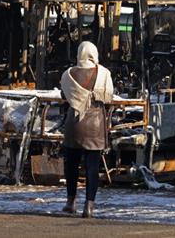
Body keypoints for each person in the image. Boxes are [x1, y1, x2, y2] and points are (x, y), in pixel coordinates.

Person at [59, 41, 114, 218]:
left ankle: (70, 202)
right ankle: (89, 206)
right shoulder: (104, 73)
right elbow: (109, 97)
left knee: (71, 166)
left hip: (73, 125)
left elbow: (64, 96)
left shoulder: (68, 74)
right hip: (95, 126)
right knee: (92, 167)